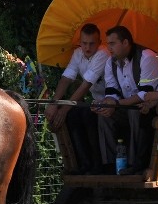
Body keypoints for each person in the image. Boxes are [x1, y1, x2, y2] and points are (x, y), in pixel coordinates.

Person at [94, 25, 158, 175]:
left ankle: (133, 164)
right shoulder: (110, 62)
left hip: (149, 108)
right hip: (125, 107)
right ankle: (110, 164)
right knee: (104, 115)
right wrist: (107, 104)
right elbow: (111, 90)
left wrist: (117, 104)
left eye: (112, 44)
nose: (109, 48)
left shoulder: (147, 57)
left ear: (125, 43)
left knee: (134, 112)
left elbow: (145, 94)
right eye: (108, 44)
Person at [44, 23, 109, 174]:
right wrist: (54, 104)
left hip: (111, 101)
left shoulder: (103, 53)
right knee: (73, 115)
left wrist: (64, 108)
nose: (87, 47)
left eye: (92, 43)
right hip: (96, 102)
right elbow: (66, 78)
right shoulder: (78, 53)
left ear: (99, 43)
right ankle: (82, 165)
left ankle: (97, 165)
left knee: (84, 114)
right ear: (80, 42)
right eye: (84, 43)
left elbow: (85, 85)